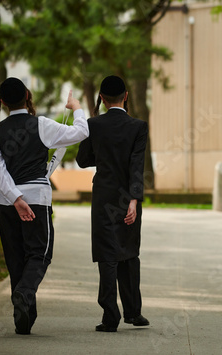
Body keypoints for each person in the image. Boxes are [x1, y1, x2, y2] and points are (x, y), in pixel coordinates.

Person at [0, 77, 88, 335]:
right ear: (28, 96)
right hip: (36, 199)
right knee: (40, 254)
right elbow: (81, 132)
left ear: (2, 102)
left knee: (15, 258)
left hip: (6, 203)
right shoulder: (41, 125)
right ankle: (24, 294)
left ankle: (24, 320)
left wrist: (15, 199)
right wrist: (76, 107)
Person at [76, 75, 149, 332]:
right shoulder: (138, 126)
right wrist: (134, 200)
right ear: (126, 96)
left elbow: (82, 160)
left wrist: (103, 154)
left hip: (104, 196)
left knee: (107, 255)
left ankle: (110, 316)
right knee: (129, 252)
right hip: (128, 197)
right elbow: (137, 165)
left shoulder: (93, 125)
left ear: (102, 99)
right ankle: (134, 312)